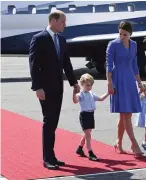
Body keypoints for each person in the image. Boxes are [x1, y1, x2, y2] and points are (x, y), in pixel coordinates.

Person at [29, 10, 80, 170]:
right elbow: (34, 64)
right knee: (49, 121)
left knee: (53, 122)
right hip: (45, 88)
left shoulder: (62, 39)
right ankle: (47, 158)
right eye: (63, 21)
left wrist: (74, 83)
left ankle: (52, 156)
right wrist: (37, 87)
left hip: (58, 87)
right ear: (53, 20)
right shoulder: (39, 39)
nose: (65, 24)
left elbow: (66, 62)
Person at [105, 21, 144, 156]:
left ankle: (119, 142)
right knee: (126, 114)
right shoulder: (113, 44)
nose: (121, 36)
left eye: (124, 34)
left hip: (129, 81)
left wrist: (139, 82)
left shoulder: (134, 45)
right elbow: (109, 65)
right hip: (118, 80)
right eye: (120, 33)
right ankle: (134, 144)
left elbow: (134, 65)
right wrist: (109, 83)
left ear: (130, 34)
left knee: (125, 115)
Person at [73, 73, 109, 161]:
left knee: (87, 134)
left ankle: (80, 148)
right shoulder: (81, 94)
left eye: (90, 85)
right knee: (88, 134)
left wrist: (108, 93)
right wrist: (74, 94)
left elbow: (100, 99)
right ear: (82, 85)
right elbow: (75, 101)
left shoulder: (91, 93)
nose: (89, 87)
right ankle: (90, 152)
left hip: (91, 115)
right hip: (84, 115)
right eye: (87, 85)